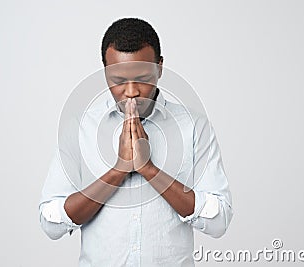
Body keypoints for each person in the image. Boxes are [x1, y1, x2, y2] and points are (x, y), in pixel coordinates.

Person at [38, 17, 233, 266]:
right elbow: (51, 222)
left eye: (142, 78)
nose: (131, 91)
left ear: (159, 68)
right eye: (118, 81)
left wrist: (148, 170)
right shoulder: (80, 128)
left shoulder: (193, 127)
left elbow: (219, 222)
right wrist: (119, 170)